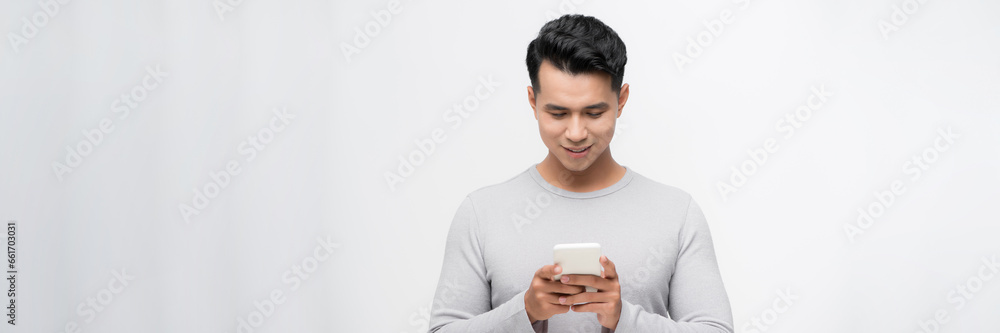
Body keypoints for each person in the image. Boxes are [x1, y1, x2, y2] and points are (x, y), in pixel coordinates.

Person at [428, 14, 733, 333]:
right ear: (533, 102)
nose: (576, 132)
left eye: (594, 112)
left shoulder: (677, 213)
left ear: (622, 100)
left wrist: (623, 319)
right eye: (558, 113)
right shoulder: (481, 213)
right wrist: (526, 311)